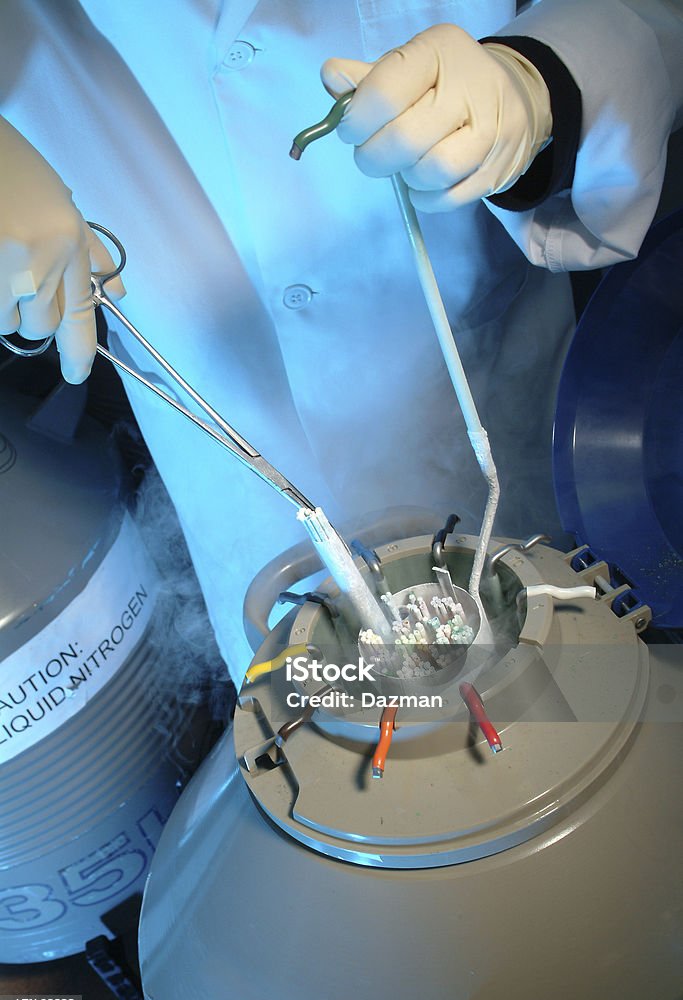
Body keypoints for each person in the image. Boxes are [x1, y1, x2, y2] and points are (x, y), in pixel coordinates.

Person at [1, 0, 681, 682]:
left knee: (578, 703)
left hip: (510, 422)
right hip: (232, 447)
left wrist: (542, 78)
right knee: (323, 744)